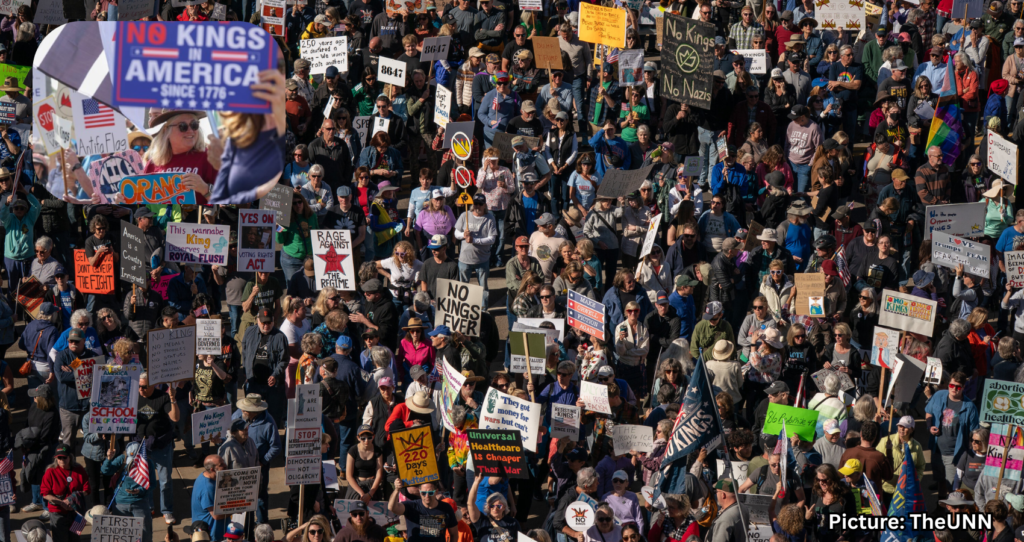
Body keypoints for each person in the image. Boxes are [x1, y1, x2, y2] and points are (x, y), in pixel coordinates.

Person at [102, 442, 153, 541]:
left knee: (145, 534)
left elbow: (152, 484)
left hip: (140, 503)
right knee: (122, 536)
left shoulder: (148, 463)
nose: (132, 466)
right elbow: (105, 471)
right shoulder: (122, 459)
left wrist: (140, 491)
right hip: (120, 504)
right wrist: (108, 459)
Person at [40, 444, 89, 542]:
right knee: (60, 539)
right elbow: (45, 494)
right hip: (57, 512)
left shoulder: (79, 470)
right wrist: (61, 502)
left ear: (70, 457)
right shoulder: (50, 472)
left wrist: (72, 499)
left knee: (75, 538)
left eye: (64, 457)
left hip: (76, 512)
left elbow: (86, 490)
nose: (62, 460)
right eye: (59, 457)